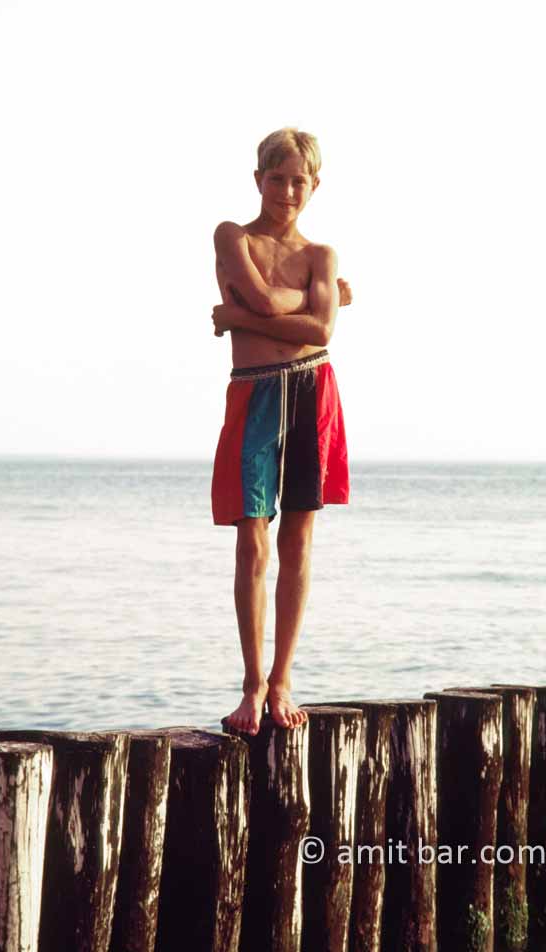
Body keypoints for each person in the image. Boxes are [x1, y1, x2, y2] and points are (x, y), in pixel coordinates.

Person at [211, 127, 351, 735]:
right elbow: (269, 303)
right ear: (258, 179)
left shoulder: (322, 254)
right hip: (255, 391)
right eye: (277, 179)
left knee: (297, 540)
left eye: (299, 181)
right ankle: (251, 684)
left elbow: (320, 333)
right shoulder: (232, 236)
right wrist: (318, 302)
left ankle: (282, 680)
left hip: (313, 389)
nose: (287, 192)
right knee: (252, 540)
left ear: (314, 185)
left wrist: (235, 315)